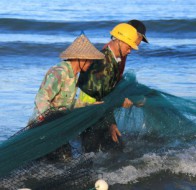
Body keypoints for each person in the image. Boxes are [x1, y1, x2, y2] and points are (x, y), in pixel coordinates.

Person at [30, 33, 105, 160]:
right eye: (90, 60)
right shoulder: (59, 72)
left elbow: (68, 103)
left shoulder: (74, 75)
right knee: (59, 159)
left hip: (58, 127)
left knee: (64, 159)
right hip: (43, 128)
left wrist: (89, 105)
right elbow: (41, 98)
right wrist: (48, 123)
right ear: (80, 58)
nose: (92, 63)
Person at [78, 21, 149, 152]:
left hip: (98, 110)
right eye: (129, 46)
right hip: (89, 111)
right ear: (119, 41)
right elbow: (101, 97)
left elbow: (108, 90)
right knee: (91, 153)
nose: (130, 50)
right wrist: (111, 123)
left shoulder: (113, 58)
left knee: (110, 149)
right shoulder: (104, 63)